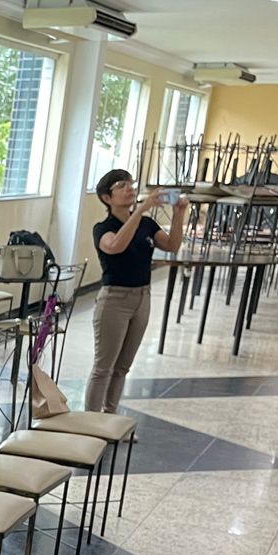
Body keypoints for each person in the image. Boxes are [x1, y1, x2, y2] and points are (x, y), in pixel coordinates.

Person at [87, 168, 188, 413]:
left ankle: (109, 415)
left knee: (123, 367)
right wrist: (141, 210)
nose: (129, 189)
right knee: (103, 367)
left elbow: (172, 245)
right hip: (114, 300)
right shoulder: (103, 227)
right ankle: (89, 422)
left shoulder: (146, 224)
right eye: (121, 186)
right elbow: (115, 246)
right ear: (106, 198)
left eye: (131, 184)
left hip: (142, 298)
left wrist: (179, 214)